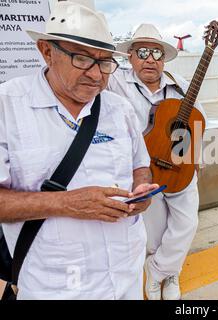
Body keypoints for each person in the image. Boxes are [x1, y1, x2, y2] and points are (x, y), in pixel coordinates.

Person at [0, 0, 158, 299]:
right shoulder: (7, 106)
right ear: (47, 51)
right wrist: (66, 203)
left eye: (105, 62)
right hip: (55, 284)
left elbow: (140, 164)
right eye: (82, 59)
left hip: (127, 272)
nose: (97, 75)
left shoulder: (119, 108)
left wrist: (141, 189)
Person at [108, 23, 206, 300]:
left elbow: (199, 123)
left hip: (178, 167)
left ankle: (161, 269)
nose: (150, 58)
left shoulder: (181, 86)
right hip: (142, 172)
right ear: (130, 56)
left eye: (157, 53)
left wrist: (188, 158)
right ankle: (166, 273)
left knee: (187, 224)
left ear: (163, 59)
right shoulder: (115, 83)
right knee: (153, 229)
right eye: (142, 52)